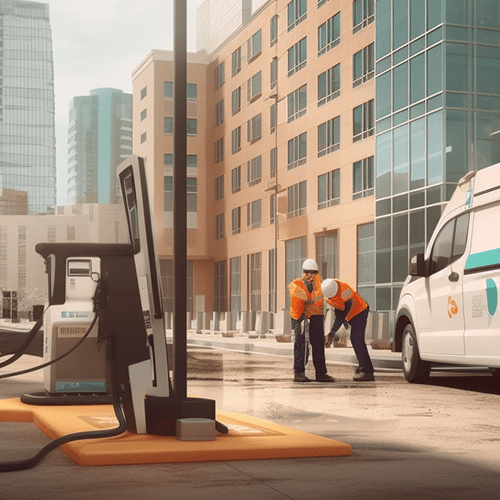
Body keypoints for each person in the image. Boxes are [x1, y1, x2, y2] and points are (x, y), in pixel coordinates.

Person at [288, 259, 335, 383]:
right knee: (300, 344)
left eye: (313, 272)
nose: (310, 275)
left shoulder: (320, 285)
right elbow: (297, 297)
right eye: (308, 272)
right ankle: (299, 373)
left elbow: (321, 297)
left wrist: (309, 301)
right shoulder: (296, 284)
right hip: (300, 317)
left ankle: (321, 373)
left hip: (316, 316)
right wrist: (307, 301)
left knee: (319, 345)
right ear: (303, 272)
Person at [321, 278, 374, 382]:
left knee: (356, 339)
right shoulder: (332, 289)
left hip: (360, 311)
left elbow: (341, 315)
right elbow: (339, 310)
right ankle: (364, 366)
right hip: (353, 313)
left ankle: (367, 371)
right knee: (356, 339)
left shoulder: (345, 293)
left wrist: (332, 332)